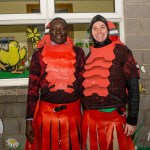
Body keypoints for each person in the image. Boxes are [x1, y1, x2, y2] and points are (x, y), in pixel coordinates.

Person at [25, 17, 85, 150]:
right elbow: (32, 89)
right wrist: (29, 120)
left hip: (73, 117)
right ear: (49, 32)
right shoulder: (38, 55)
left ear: (67, 31)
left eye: (62, 28)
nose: (58, 32)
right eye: (54, 28)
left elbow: (83, 86)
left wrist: (87, 115)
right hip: (46, 117)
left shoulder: (78, 53)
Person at [81, 15, 140, 150]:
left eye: (102, 27)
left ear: (108, 30)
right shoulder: (88, 55)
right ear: (91, 33)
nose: (99, 31)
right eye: (95, 28)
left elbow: (133, 87)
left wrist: (132, 120)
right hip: (90, 121)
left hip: (114, 121)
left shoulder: (122, 51)